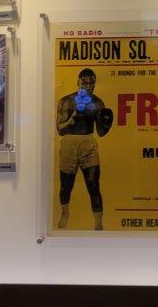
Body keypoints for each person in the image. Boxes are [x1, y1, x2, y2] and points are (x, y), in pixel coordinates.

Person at [55, 68, 113, 230]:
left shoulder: (98, 103)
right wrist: (71, 120)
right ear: (78, 82)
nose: (88, 86)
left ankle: (98, 224)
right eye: (84, 83)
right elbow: (59, 129)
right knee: (66, 185)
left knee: (93, 184)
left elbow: (101, 133)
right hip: (69, 142)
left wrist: (106, 122)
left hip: (89, 142)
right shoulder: (66, 101)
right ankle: (65, 212)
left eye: (91, 83)